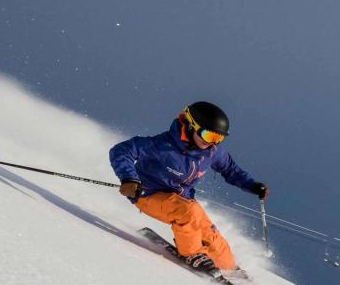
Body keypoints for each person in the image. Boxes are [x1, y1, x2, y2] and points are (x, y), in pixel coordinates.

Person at [109, 101, 269, 274]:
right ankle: (193, 254)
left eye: (218, 138)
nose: (212, 142)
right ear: (192, 127)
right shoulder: (163, 146)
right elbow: (121, 150)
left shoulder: (212, 152)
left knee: (211, 236)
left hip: (182, 200)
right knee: (188, 212)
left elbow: (230, 170)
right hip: (148, 195)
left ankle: (230, 269)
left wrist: (252, 185)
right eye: (209, 136)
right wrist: (129, 179)